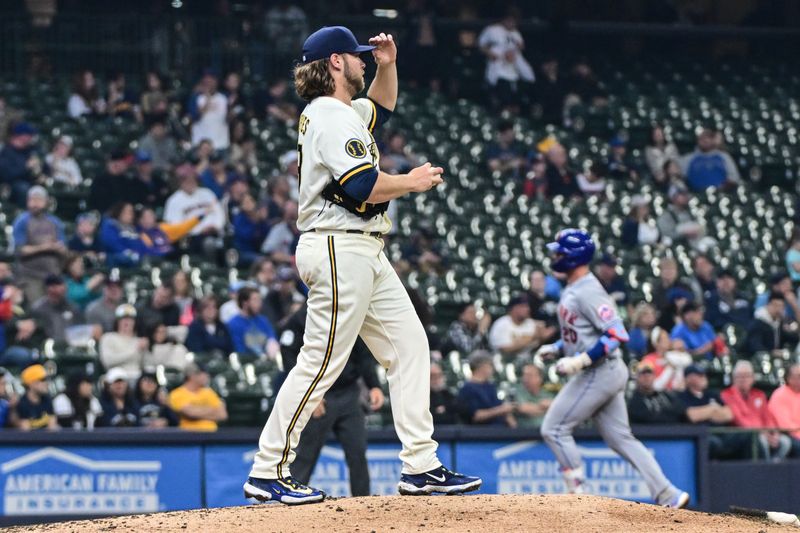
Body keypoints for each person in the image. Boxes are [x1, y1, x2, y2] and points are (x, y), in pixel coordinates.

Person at [244, 27, 480, 505]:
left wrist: (389, 64)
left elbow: (382, 108)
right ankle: (268, 469)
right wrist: (411, 181)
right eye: (357, 57)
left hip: (363, 249)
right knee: (321, 360)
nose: (363, 62)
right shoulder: (329, 117)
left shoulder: (342, 112)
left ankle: (420, 466)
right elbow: (361, 186)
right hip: (337, 246)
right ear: (335, 62)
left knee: (410, 345)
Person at [536, 228, 688, 507]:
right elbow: (583, 332)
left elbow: (617, 334)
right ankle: (669, 493)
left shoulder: (588, 289)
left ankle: (577, 495)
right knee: (621, 438)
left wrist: (580, 360)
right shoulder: (574, 286)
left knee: (554, 428)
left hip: (600, 370)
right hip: (604, 370)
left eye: (559, 251)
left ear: (573, 256)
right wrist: (558, 348)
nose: (554, 256)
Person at [281, 304, 384, 497]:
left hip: (348, 393)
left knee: (358, 453)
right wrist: (308, 395)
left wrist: (374, 385)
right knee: (305, 455)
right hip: (319, 394)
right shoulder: (302, 317)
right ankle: (289, 501)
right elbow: (288, 356)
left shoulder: (346, 313)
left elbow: (363, 352)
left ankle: (363, 504)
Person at [721, 360, 792, 461]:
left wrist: (773, 433)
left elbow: (767, 417)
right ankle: (765, 469)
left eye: (747, 376)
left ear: (753, 378)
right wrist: (760, 433)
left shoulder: (759, 395)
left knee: (785, 441)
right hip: (744, 435)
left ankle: (775, 466)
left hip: (764, 433)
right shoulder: (727, 395)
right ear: (734, 378)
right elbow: (739, 420)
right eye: (740, 376)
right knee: (760, 440)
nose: (743, 379)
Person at [12, 186, 66, 303]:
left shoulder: (55, 222)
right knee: (38, 308)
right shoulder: (22, 221)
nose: (34, 204)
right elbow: (20, 250)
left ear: (46, 202)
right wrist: (44, 247)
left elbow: (63, 247)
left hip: (52, 276)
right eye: (32, 200)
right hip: (31, 276)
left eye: (38, 200)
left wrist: (59, 248)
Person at [678, 365, 743, 459]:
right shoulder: (682, 396)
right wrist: (713, 409)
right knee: (713, 443)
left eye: (704, 375)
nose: (703, 377)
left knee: (744, 437)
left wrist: (705, 413)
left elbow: (728, 415)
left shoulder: (712, 394)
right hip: (700, 435)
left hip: (720, 432)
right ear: (688, 378)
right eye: (699, 375)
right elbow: (692, 416)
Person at [477, 7, 535, 112]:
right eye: (510, 20)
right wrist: (492, 54)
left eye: (514, 21)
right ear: (504, 19)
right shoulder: (492, 30)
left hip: (514, 70)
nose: (511, 23)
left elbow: (521, 46)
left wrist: (516, 49)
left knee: (518, 99)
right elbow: (481, 45)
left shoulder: (516, 34)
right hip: (499, 69)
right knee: (503, 100)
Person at [163, 164, 226, 256]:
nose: (190, 181)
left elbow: (219, 213)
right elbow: (176, 227)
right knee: (209, 243)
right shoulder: (173, 201)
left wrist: (216, 226)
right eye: (186, 179)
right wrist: (199, 230)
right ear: (180, 181)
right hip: (192, 238)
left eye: (192, 178)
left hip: (215, 232)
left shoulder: (207, 193)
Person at [456, 351, 516, 427]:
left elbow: (499, 406)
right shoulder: (467, 389)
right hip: (481, 434)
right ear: (482, 366)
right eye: (490, 365)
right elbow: (476, 416)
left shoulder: (490, 386)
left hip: (502, 432)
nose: (493, 369)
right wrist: (501, 410)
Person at [169, 363, 227, 431]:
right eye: (203, 373)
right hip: (188, 435)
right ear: (192, 376)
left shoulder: (209, 392)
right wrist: (212, 410)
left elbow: (223, 415)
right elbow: (191, 413)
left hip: (212, 435)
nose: (207, 376)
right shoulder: (177, 394)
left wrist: (198, 412)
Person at [0, 122, 47, 206]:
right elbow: (7, 175)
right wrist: (26, 166)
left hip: (29, 181)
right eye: (29, 135)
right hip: (11, 185)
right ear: (22, 136)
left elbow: (46, 167)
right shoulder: (7, 151)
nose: (31, 138)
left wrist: (42, 171)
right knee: (23, 188)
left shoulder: (30, 150)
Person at [489, 296, 548, 360]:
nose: (527, 309)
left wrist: (542, 338)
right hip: (504, 361)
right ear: (514, 309)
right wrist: (531, 338)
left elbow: (536, 345)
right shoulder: (501, 324)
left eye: (527, 306)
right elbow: (505, 350)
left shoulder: (531, 323)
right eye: (523, 306)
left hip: (528, 360)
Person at [30, 274, 86, 342]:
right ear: (49, 288)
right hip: (47, 346)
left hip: (72, 345)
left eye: (62, 284)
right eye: (56, 285)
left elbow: (81, 328)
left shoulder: (73, 306)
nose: (63, 287)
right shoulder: (38, 309)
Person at [657, 184, 712, 251]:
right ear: (673, 197)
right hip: (679, 248)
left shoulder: (691, 211)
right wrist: (684, 234)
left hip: (698, 243)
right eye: (682, 195)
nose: (686, 197)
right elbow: (667, 235)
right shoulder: (666, 216)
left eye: (685, 194)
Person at [226, 287, 278, 358]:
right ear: (245, 303)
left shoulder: (263, 320)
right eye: (255, 300)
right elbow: (239, 350)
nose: (259, 303)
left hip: (268, 359)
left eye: (260, 300)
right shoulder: (233, 323)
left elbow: (272, 339)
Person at [99, 304, 148, 379]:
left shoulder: (138, 341)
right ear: (117, 321)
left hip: (137, 377)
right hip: (116, 377)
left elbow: (145, 365)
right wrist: (135, 350)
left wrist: (145, 350)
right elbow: (108, 361)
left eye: (130, 319)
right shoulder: (108, 337)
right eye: (123, 319)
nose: (126, 322)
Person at [640, 327, 693, 392]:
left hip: (677, 393)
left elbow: (688, 362)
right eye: (664, 339)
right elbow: (648, 384)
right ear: (656, 343)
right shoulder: (648, 360)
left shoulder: (674, 355)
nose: (668, 340)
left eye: (668, 337)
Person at [190, 70, 229, 150]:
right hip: (200, 144)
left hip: (221, 143)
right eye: (206, 81)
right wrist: (207, 98)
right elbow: (194, 117)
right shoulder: (196, 97)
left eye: (211, 80)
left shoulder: (224, 97)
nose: (209, 83)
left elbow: (227, 118)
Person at [99, 202, 146, 267]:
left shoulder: (134, 228)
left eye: (132, 212)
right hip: (117, 259)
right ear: (120, 212)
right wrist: (129, 253)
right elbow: (111, 243)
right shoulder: (111, 225)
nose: (131, 215)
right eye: (128, 212)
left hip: (136, 258)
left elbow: (141, 244)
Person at [232, 192, 271, 267]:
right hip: (243, 252)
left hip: (259, 250)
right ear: (241, 206)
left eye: (250, 201)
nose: (248, 204)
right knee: (262, 260)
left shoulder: (260, 219)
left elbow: (267, 235)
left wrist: (263, 221)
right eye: (245, 202)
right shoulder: (239, 218)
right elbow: (247, 236)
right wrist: (256, 221)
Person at [16, 364, 58, 430]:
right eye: (42, 380)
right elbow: (25, 434)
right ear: (31, 383)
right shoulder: (22, 403)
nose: (46, 383)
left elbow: (52, 429)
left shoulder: (47, 399)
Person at [513, 364, 554, 428]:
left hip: (547, 432)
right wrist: (547, 409)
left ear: (540, 378)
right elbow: (524, 409)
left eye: (529, 375)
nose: (525, 379)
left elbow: (558, 410)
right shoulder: (517, 392)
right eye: (524, 375)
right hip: (527, 433)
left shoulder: (548, 393)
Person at [768, 363, 800, 444]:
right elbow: (785, 426)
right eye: (798, 375)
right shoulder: (779, 395)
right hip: (786, 434)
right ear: (789, 378)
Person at [260, 199, 299, 265]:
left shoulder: (307, 228)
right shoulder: (278, 229)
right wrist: (292, 259)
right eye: (288, 213)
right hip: (286, 266)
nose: (292, 217)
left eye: (294, 213)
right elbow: (269, 252)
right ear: (284, 214)